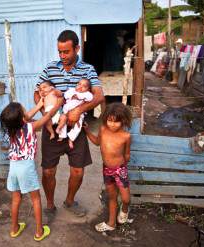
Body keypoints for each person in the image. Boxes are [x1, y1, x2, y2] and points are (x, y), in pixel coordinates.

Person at [34, 30, 104, 217]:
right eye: (60, 52)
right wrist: (46, 115)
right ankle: (49, 205)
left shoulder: (87, 70)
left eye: (66, 52)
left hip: (76, 128)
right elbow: (36, 93)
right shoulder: (50, 68)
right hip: (54, 129)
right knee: (48, 171)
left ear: (77, 48)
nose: (63, 56)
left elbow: (99, 95)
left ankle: (70, 201)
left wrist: (78, 111)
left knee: (78, 171)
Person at [0, 100, 59, 241]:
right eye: (24, 110)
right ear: (22, 118)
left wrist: (39, 105)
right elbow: (48, 115)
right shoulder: (30, 127)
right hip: (26, 167)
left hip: (13, 166)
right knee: (36, 199)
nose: (26, 111)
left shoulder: (10, 129)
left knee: (16, 199)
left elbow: (26, 116)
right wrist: (58, 103)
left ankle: (14, 228)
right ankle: (39, 232)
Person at [84, 103, 132, 232]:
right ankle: (111, 223)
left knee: (126, 199)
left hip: (120, 170)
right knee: (112, 197)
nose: (112, 124)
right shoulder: (103, 129)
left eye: (116, 122)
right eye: (110, 120)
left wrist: (122, 168)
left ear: (123, 121)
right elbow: (97, 142)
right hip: (107, 170)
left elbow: (127, 155)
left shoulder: (126, 136)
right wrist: (87, 131)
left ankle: (125, 210)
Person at [56, 78, 93, 149]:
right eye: (79, 84)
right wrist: (72, 95)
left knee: (78, 127)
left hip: (79, 114)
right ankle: (61, 134)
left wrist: (79, 96)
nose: (80, 87)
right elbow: (66, 95)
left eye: (84, 86)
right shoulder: (71, 90)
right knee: (62, 120)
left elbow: (90, 98)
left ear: (88, 89)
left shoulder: (87, 94)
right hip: (66, 111)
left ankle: (71, 139)